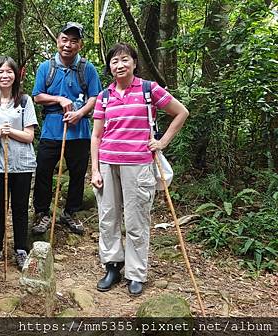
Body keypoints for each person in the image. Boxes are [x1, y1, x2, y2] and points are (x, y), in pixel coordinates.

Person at [91, 43, 189, 296]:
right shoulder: (104, 96)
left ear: (134, 62)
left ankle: (136, 273)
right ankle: (112, 265)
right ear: (109, 67)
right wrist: (95, 170)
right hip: (107, 163)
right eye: (114, 61)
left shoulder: (149, 89)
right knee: (108, 218)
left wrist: (162, 141)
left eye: (125, 59)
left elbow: (181, 112)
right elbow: (97, 136)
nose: (119, 65)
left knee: (136, 221)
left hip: (139, 164)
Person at [31, 22, 102, 236]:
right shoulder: (47, 67)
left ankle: (71, 212)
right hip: (51, 130)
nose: (68, 45)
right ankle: (42, 212)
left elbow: (95, 97)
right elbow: (37, 96)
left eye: (73, 41)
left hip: (79, 131)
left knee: (78, 174)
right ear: (57, 41)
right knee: (43, 171)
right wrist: (59, 99)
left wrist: (80, 114)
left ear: (80, 45)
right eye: (65, 39)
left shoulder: (87, 69)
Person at [0, 56, 37, 271]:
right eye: (0, 71)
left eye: (9, 71)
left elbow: (30, 135)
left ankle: (21, 249)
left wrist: (9, 131)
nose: (5, 75)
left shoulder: (24, 100)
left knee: (20, 207)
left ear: (16, 75)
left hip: (21, 163)